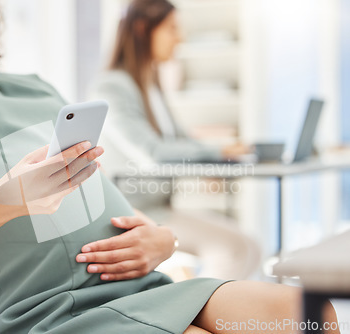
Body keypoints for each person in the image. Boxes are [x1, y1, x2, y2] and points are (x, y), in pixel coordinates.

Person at [0, 0, 339, 333]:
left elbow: (96, 191)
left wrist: (160, 237)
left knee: (307, 316)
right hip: (48, 309)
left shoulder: (37, 86)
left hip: (143, 286)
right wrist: (4, 202)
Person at [90, 0, 260, 280]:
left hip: (162, 208)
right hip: (137, 211)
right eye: (171, 29)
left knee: (250, 246)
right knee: (233, 250)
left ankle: (211, 311)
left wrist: (215, 158)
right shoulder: (112, 86)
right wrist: (218, 150)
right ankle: (208, 315)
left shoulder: (149, 83)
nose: (179, 38)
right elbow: (152, 153)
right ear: (144, 29)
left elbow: (181, 140)